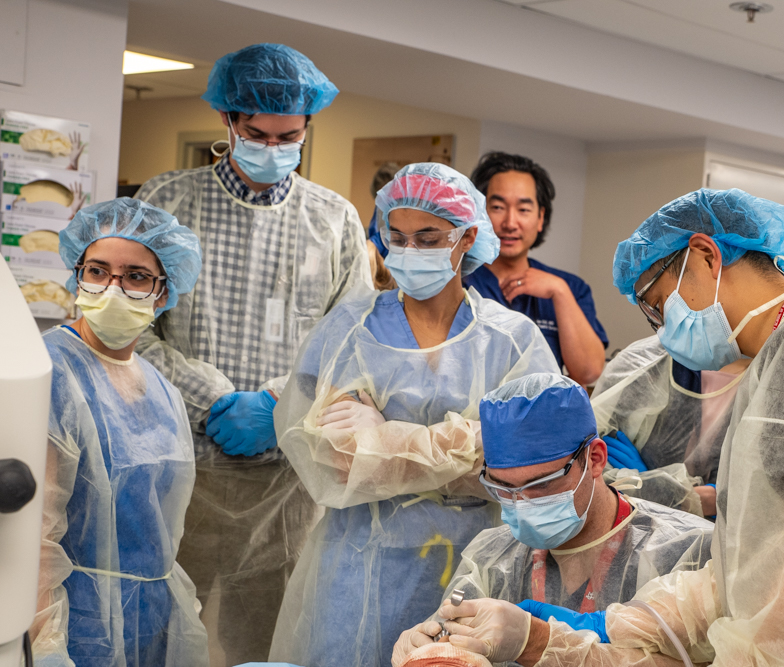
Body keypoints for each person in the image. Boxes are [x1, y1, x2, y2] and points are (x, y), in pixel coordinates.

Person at [430, 188, 784, 667]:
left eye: (658, 305)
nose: (664, 327)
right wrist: (608, 630)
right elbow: (757, 565)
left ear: (704, 255)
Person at [267, 163, 560, 667]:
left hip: (475, 562)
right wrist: (474, 439)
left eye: (427, 237)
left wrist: (386, 440)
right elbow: (337, 462)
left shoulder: (511, 340)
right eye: (396, 237)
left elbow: (528, 463)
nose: (408, 252)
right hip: (359, 562)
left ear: (467, 237)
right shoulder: (350, 329)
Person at [134, 43, 371, 664]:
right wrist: (211, 398)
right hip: (178, 464)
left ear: (307, 127)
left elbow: (354, 342)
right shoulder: (168, 204)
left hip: (286, 478)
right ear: (228, 122)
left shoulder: (335, 220)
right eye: (257, 133)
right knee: (163, 633)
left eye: (288, 135)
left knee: (264, 643)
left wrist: (275, 402)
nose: (272, 148)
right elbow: (133, 329)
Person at [391, 373, 713, 666]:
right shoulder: (492, 560)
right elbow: (451, 640)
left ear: (595, 459)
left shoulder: (689, 551)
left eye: (541, 485)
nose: (523, 505)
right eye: (504, 488)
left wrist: (537, 643)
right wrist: (427, 649)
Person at [30, 198, 208, 666]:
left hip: (149, 619)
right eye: (97, 270)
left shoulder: (163, 391)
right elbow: (33, 534)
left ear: (164, 292)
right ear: (77, 275)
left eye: (135, 277)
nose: (112, 288)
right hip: (73, 627)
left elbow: (159, 525)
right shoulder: (50, 371)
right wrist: (44, 642)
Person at [466, 152, 607, 385]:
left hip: (544, 416)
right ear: (480, 213)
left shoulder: (571, 287)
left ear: (541, 218)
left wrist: (559, 291)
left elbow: (589, 372)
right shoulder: (460, 281)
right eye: (498, 207)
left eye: (523, 209)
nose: (510, 223)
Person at [592, 335, 747, 517]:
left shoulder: (772, 379)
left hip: (722, 540)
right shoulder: (643, 363)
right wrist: (707, 498)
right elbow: (594, 472)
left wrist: (653, 487)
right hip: (635, 527)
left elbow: (764, 497)